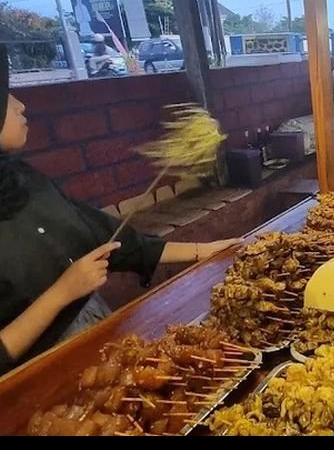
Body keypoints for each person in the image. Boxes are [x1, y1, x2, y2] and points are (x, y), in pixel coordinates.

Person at [0, 46, 242, 376]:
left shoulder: (23, 178)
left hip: (98, 333)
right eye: (5, 98)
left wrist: (205, 251)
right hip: (35, 376)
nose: (20, 104)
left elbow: (116, 242)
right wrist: (61, 294)